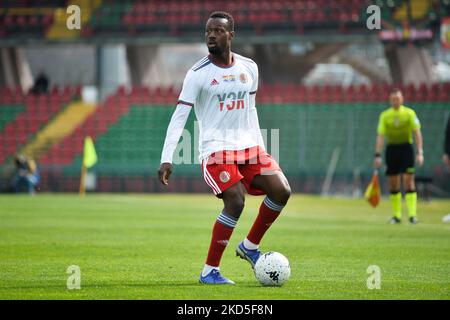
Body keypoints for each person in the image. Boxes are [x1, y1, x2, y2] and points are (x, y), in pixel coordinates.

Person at [158, 11, 291, 285]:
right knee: (236, 200)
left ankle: (250, 247)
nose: (211, 35)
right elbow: (179, 116)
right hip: (216, 150)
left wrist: (262, 150)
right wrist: (167, 157)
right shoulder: (197, 74)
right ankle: (210, 271)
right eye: (208, 31)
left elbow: (251, 111)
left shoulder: (249, 68)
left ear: (231, 35)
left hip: (250, 147)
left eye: (218, 30)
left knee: (281, 190)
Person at [374, 89, 424, 224]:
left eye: (398, 98)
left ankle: (412, 215)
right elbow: (380, 135)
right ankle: (396, 216)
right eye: (393, 98)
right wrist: (377, 155)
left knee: (408, 180)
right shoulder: (385, 115)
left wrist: (420, 152)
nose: (395, 100)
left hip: (406, 148)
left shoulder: (409, 113)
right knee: (394, 183)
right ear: (390, 100)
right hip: (392, 150)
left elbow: (417, 133)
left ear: (402, 99)